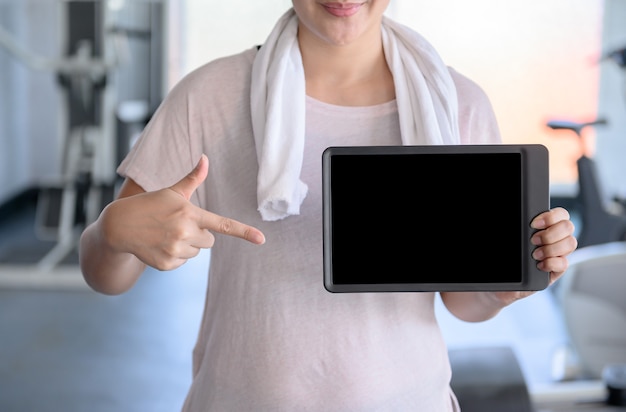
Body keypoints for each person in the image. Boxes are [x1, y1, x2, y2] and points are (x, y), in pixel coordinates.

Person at [79, 1, 577, 411]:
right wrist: (110, 233)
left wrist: (502, 290)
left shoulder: (458, 105)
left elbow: (463, 302)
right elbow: (106, 276)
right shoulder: (208, 95)